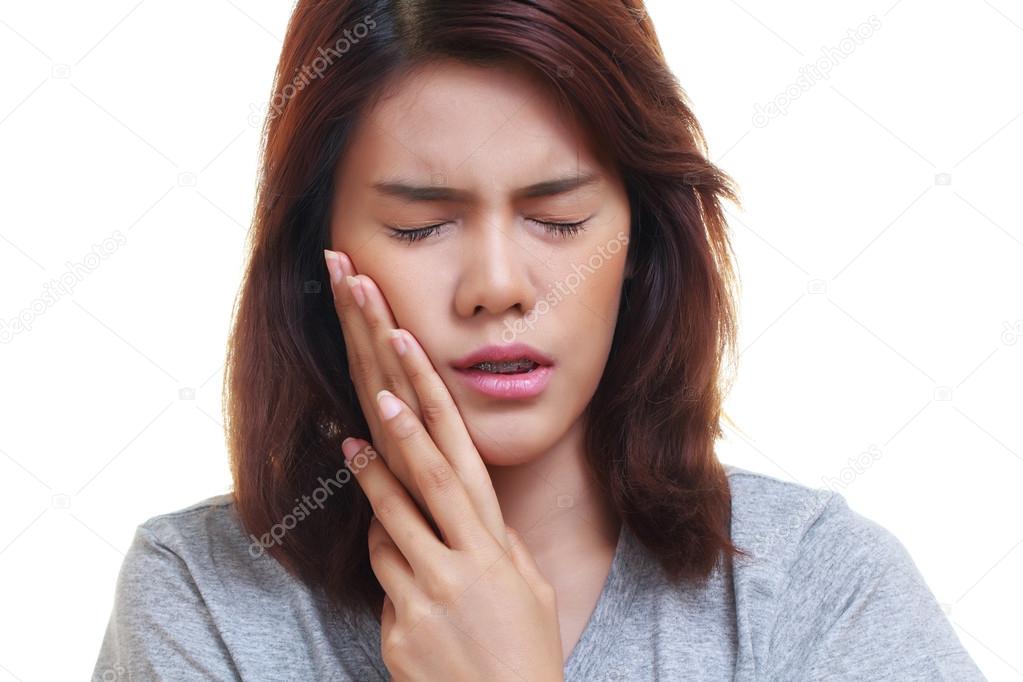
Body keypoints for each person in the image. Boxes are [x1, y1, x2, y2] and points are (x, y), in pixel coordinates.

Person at [92, 1, 985, 679]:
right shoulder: (203, 598)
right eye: (420, 228)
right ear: (315, 256)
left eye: (557, 218)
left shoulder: (817, 586)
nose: (499, 288)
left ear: (641, 241)